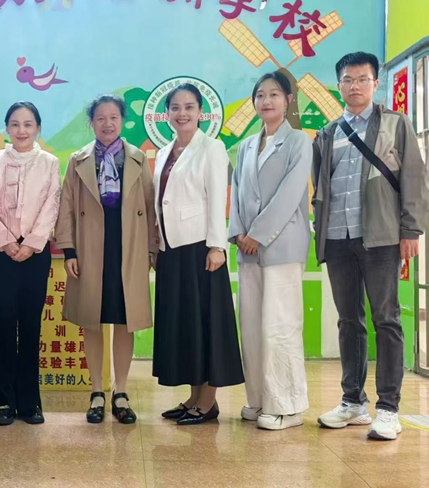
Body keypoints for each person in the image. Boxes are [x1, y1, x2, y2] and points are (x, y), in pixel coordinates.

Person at [314, 52, 428, 440]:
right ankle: (353, 403)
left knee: (386, 319)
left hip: (380, 237)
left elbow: (414, 179)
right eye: (347, 80)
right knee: (349, 321)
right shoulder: (328, 133)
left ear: (375, 83)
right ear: (339, 86)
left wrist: (410, 230)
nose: (355, 86)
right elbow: (321, 187)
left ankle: (388, 409)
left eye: (362, 79)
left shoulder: (396, 124)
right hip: (337, 238)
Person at [55, 95, 157, 424]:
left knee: (125, 321)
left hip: (129, 249)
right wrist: (69, 250)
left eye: (113, 117)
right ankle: (97, 391)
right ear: (92, 123)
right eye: (100, 118)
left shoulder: (137, 158)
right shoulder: (78, 160)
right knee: (92, 321)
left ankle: (121, 391)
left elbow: (150, 208)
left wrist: (151, 250)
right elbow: (66, 208)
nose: (107, 124)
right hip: (89, 250)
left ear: (122, 121)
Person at [154, 83, 244, 425]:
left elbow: (218, 199)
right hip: (171, 249)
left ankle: (208, 402)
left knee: (207, 324)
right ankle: (194, 397)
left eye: (189, 107)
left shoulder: (212, 148)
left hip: (201, 249)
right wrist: (157, 244)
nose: (182, 113)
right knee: (186, 326)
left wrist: (217, 246)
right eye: (175, 107)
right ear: (167, 113)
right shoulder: (164, 151)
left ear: (200, 112)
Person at [228, 70, 311, 430]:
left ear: (288, 100)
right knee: (252, 327)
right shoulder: (247, 145)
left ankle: (287, 407)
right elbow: (237, 191)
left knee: (280, 326)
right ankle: (260, 399)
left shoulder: (299, 142)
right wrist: (238, 233)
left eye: (274, 94)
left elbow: (290, 194)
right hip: (247, 250)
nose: (266, 101)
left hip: (282, 246)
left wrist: (258, 234)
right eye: (260, 95)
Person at [0, 102, 61, 426]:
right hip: (0, 253)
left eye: (28, 124)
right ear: (7, 128)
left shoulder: (50, 163)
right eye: (15, 124)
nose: (21, 130)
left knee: (30, 326)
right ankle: (4, 402)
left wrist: (31, 243)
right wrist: (6, 241)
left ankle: (30, 403)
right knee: (2, 324)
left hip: (35, 254)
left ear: (38, 128)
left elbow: (52, 205)